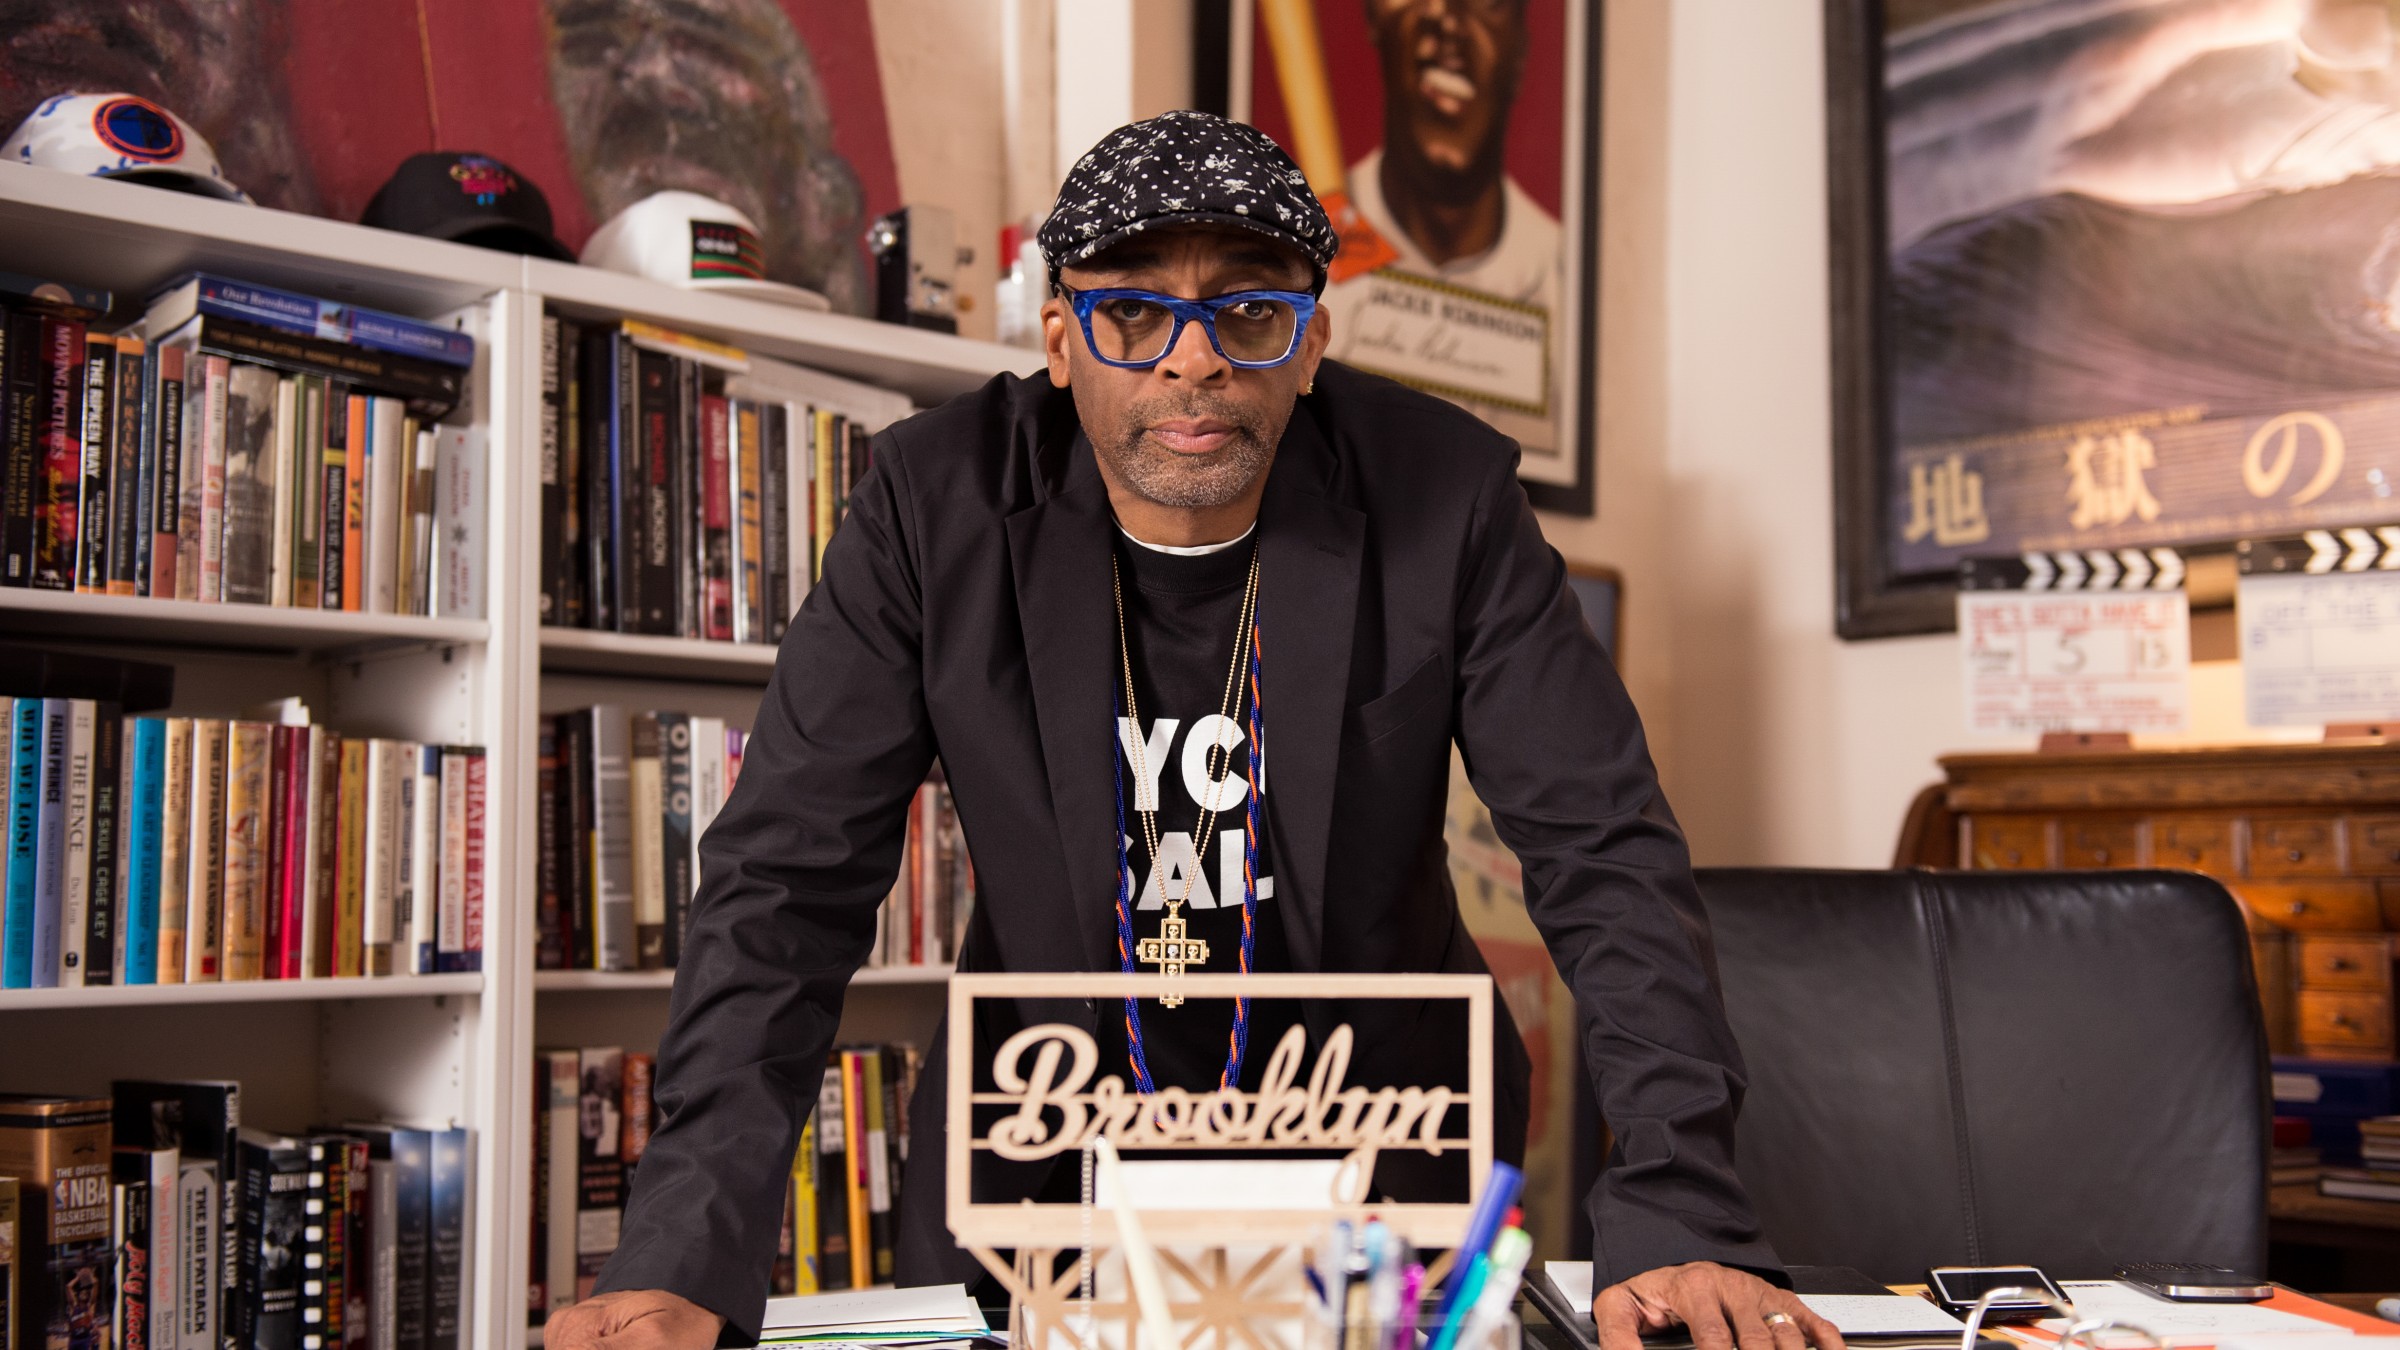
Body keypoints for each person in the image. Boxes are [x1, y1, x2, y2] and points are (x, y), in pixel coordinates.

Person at [546, 110, 1839, 1350]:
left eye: (1249, 310)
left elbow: (1604, 852)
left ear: (1309, 343)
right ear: (1061, 338)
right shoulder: (931, 509)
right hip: (1038, 1170)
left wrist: (1681, 1203)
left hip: (1383, 1165)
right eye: (1133, 311)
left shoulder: (1447, 499)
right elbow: (785, 882)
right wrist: (679, 1247)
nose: (1193, 357)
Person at [1320, 0, 1562, 458]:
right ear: (1375, 18)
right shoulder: (1297, 261)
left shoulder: (1562, 275)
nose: (1447, 19)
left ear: (1521, 52)